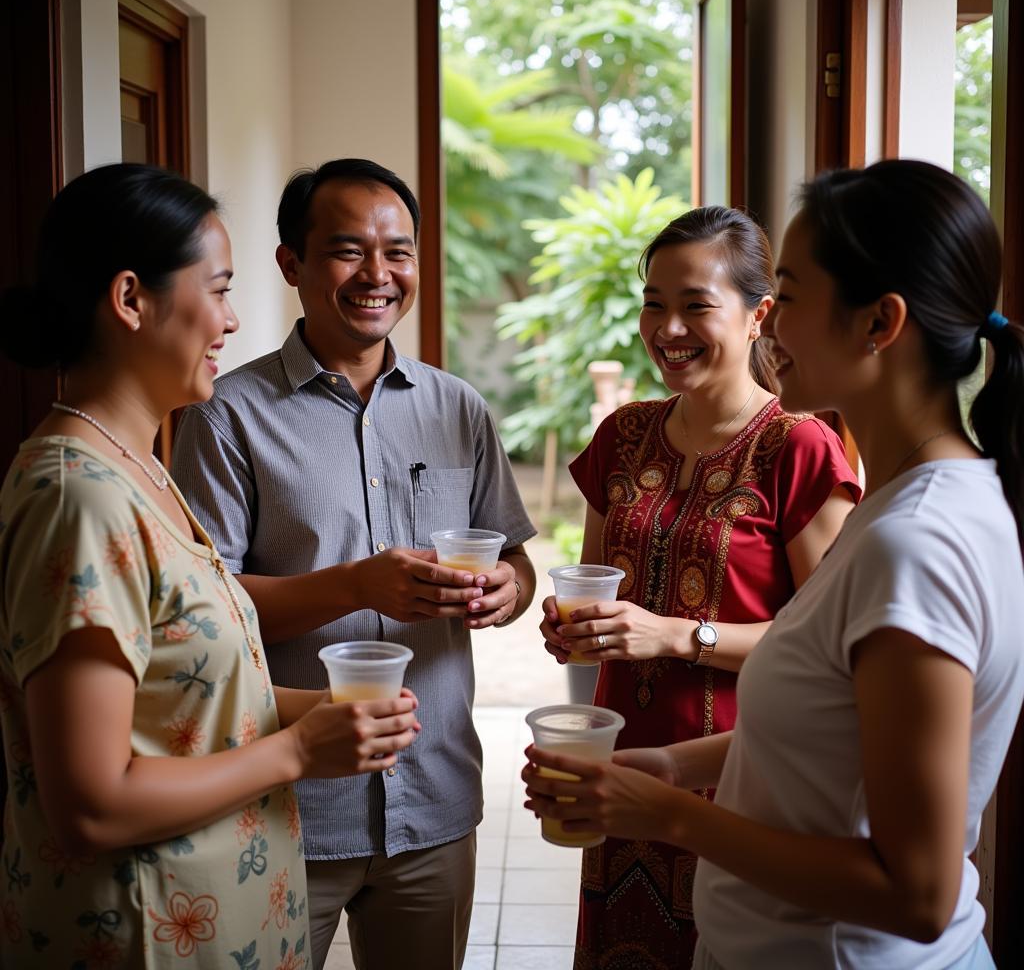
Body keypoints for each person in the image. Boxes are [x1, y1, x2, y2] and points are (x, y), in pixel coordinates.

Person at [524, 160, 1024, 969]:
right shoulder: (911, 510)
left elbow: (920, 894)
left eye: (787, 297)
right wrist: (671, 766)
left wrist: (671, 812)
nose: (773, 324)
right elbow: (833, 728)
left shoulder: (916, 542)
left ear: (878, 323)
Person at [0, 163, 422, 969]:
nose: (232, 320)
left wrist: (322, 709)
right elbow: (91, 803)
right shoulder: (76, 498)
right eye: (219, 289)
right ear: (130, 300)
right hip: (143, 932)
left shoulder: (140, 467)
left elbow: (181, 698)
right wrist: (299, 752)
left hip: (223, 920)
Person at [171, 158, 537, 970]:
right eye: (348, 251)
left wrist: (508, 587)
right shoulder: (226, 416)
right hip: (289, 803)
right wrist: (356, 584)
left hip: (436, 793)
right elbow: (201, 614)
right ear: (291, 265)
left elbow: (513, 557)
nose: (378, 274)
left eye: (398, 252)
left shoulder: (458, 408)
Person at [536, 205, 860, 967]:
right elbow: (596, 584)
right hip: (620, 765)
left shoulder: (800, 447)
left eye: (695, 305)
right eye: (654, 303)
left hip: (746, 773)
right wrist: (569, 628)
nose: (668, 328)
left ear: (759, 316)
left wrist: (680, 634)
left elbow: (834, 652)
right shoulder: (622, 436)